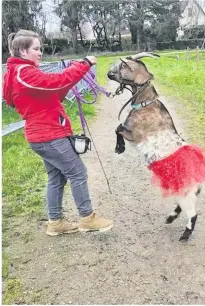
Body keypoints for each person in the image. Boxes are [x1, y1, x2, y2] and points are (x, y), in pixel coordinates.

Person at [3, 29, 114, 236]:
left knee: (57, 177)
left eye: (40, 48)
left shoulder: (23, 72)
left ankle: (55, 222)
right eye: (36, 49)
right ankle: (87, 218)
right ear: (22, 50)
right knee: (78, 172)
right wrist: (84, 65)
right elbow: (55, 82)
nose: (40, 53)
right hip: (48, 135)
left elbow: (55, 91)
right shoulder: (24, 73)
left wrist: (74, 75)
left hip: (45, 135)